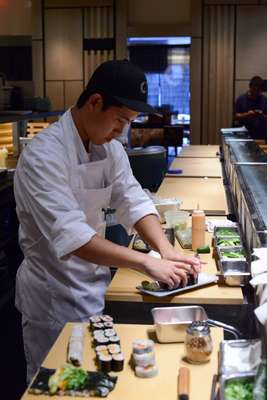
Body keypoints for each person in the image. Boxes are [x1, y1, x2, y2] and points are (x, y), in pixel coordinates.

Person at [14, 59, 201, 382]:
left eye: (129, 122)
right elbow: (74, 238)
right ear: (95, 102)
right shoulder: (43, 156)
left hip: (94, 285)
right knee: (55, 383)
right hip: (51, 295)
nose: (122, 130)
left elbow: (133, 199)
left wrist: (165, 250)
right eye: (119, 120)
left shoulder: (108, 149)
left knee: (92, 379)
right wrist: (146, 263)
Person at [235, 76, 267, 141]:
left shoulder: (264, 100)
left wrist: (262, 115)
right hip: (243, 134)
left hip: (260, 135)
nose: (256, 93)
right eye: (254, 90)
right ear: (250, 87)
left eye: (258, 90)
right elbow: (235, 116)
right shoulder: (241, 99)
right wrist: (247, 114)